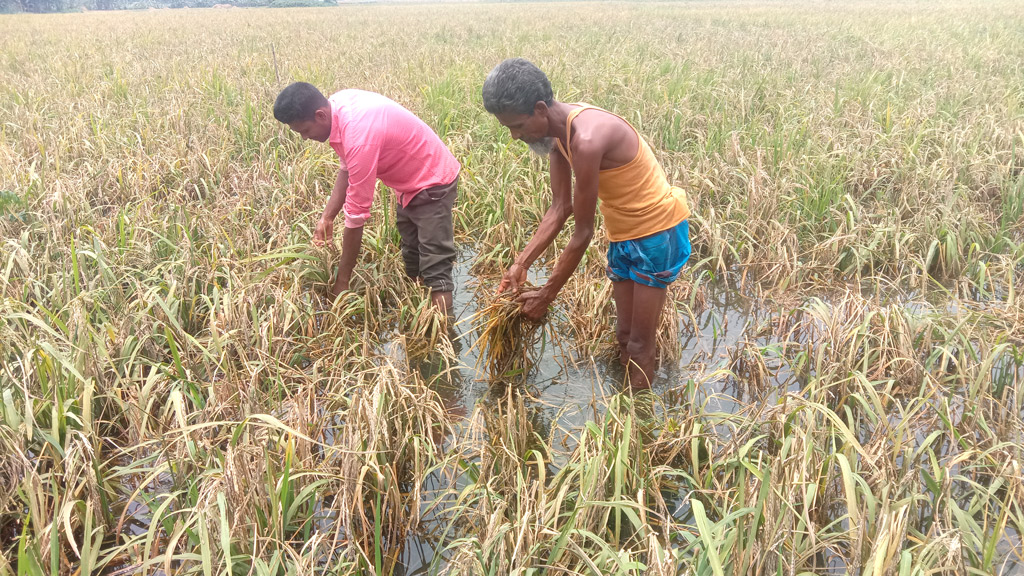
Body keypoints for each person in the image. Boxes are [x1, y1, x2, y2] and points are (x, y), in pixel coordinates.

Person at [481, 58, 692, 390]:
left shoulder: (587, 139)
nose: (514, 136)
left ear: (539, 109)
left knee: (639, 343)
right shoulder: (557, 136)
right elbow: (559, 208)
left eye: (518, 126)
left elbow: (582, 232)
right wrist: (521, 263)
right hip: (623, 234)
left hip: (657, 234)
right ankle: (629, 402)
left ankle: (638, 429)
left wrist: (546, 295)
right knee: (624, 336)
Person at [273, 82, 461, 313]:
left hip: (433, 181)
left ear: (320, 115)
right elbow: (347, 168)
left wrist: (342, 282)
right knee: (412, 254)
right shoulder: (338, 108)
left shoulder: (359, 134)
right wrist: (327, 217)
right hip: (407, 185)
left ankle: (440, 337)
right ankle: (417, 314)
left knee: (435, 267)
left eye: (304, 130)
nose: (304, 137)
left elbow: (356, 216)